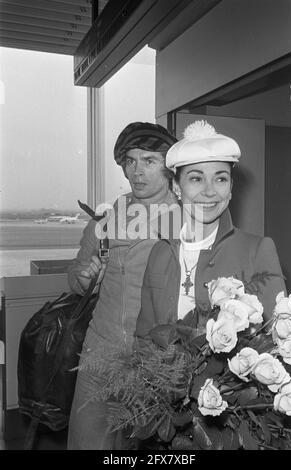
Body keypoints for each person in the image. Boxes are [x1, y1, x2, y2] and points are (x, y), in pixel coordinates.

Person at [67, 122, 178, 450]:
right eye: (130, 161)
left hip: (156, 358)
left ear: (168, 166)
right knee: (88, 441)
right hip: (99, 349)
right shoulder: (104, 219)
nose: (137, 171)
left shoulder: (188, 219)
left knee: (149, 447)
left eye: (149, 160)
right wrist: (82, 278)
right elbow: (74, 273)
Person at [135, 120, 286, 341]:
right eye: (196, 178)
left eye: (220, 179)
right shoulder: (159, 252)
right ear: (176, 187)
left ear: (231, 188)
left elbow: (279, 338)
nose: (209, 191)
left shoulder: (258, 251)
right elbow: (144, 336)